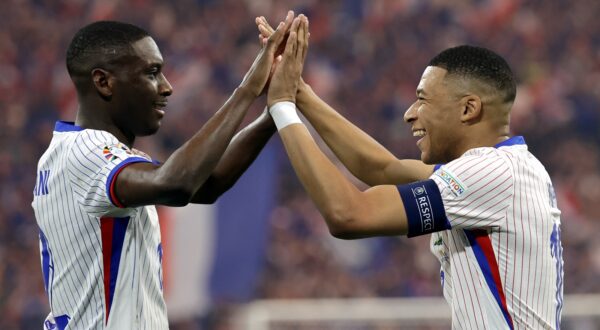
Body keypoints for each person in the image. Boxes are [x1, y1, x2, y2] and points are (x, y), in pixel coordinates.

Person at [260, 15, 564, 329]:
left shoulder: (492, 173)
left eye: (422, 100)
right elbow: (382, 168)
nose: (409, 114)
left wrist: (282, 106)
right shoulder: (507, 168)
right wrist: (300, 92)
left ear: (468, 109)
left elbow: (347, 214)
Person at [31, 14, 296, 329]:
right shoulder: (86, 152)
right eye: (152, 73)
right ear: (103, 82)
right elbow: (178, 183)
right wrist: (248, 88)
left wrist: (275, 108)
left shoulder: (78, 154)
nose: (167, 87)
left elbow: (206, 185)